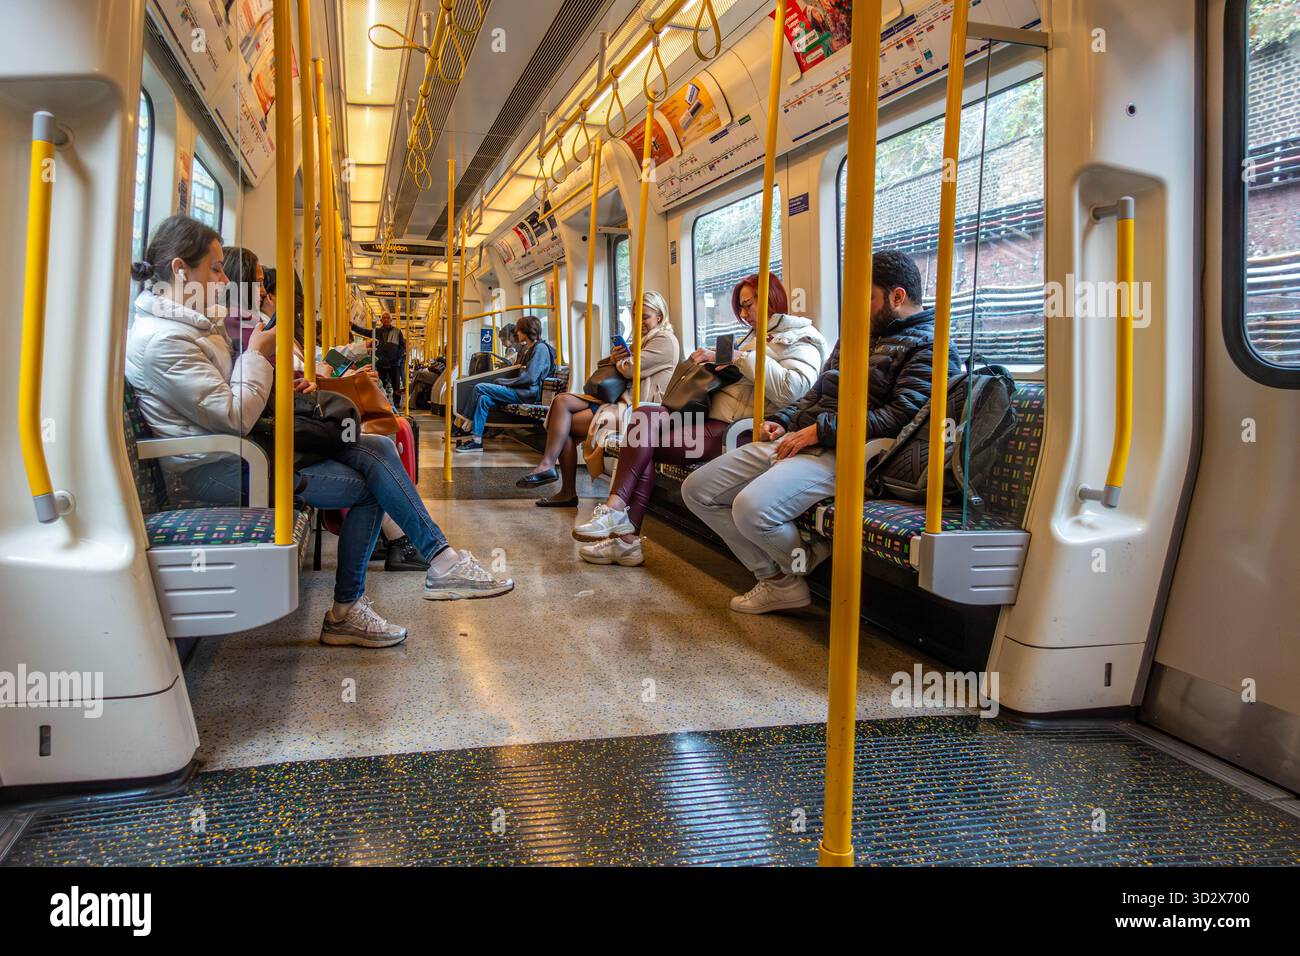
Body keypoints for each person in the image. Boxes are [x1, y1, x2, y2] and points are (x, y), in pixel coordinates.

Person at [126, 216, 513, 650]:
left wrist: (276, 379)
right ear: (181, 270)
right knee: (369, 485)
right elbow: (232, 416)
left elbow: (226, 399)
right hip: (215, 467)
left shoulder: (197, 327)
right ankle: (370, 599)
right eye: (215, 268)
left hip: (242, 451)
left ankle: (438, 561)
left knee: (379, 443)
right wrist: (256, 356)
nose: (221, 279)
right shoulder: (166, 341)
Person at [680, 250, 958, 614]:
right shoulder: (856, 336)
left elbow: (901, 418)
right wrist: (787, 420)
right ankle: (781, 580)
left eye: (867, 299)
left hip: (850, 452)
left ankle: (792, 568)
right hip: (804, 436)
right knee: (697, 490)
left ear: (897, 296)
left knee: (751, 510)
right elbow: (816, 392)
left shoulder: (930, 346)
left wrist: (818, 431)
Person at [574, 275, 828, 567]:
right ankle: (616, 514)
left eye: (748, 305)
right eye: (741, 308)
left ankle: (625, 536)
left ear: (771, 298)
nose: (743, 314)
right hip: (703, 415)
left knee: (641, 445)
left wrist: (737, 358)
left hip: (733, 428)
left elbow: (790, 389)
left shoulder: (800, 339)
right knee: (644, 415)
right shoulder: (752, 337)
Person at [516, 290, 679, 507]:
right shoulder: (641, 341)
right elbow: (610, 365)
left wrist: (620, 361)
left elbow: (631, 369)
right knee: (561, 402)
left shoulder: (664, 340)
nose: (640, 322)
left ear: (659, 316)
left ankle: (563, 486)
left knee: (565, 427)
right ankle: (549, 467)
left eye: (645, 317)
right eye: (636, 317)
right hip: (618, 399)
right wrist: (615, 358)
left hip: (639, 409)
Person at [455, 316, 555, 452]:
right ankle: (477, 441)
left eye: (519, 331)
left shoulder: (540, 349)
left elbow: (530, 378)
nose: (517, 334)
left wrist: (505, 382)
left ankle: (466, 420)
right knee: (484, 399)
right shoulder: (529, 349)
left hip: (528, 394)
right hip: (522, 390)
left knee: (480, 388)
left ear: (526, 331)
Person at [352, 310, 406, 404]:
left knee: (396, 384)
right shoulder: (376, 331)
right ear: (381, 320)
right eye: (384, 318)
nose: (386, 319)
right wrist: (353, 326)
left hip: (394, 363)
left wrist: (398, 357)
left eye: (388, 318)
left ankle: (396, 402)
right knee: (381, 383)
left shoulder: (397, 332)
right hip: (381, 362)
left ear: (391, 320)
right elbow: (364, 331)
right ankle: (381, 401)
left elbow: (402, 346)